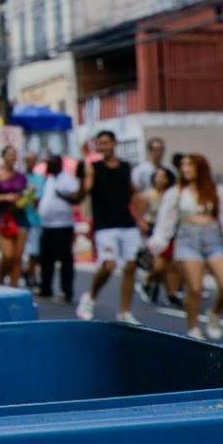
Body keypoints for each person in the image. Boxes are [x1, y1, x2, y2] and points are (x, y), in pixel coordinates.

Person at [147, 154, 223, 340]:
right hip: (187, 240)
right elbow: (166, 219)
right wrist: (159, 240)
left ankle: (215, 313)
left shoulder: (216, 190)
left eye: (190, 165)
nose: (185, 169)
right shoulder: (176, 192)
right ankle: (193, 327)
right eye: (183, 165)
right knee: (194, 287)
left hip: (213, 239)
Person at [76, 130, 144, 323]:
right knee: (108, 265)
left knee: (131, 266)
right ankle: (90, 297)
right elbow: (86, 190)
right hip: (105, 224)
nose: (103, 147)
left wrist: (140, 219)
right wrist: (83, 178)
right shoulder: (93, 167)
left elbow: (133, 193)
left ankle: (125, 311)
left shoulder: (125, 167)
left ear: (115, 143)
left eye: (106, 143)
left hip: (126, 222)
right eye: (100, 144)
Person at [35, 155, 80, 301]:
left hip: (63, 226)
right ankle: (45, 288)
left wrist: (61, 196)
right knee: (46, 259)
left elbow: (76, 197)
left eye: (50, 164)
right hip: (47, 226)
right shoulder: (50, 179)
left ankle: (67, 292)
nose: (47, 167)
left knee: (65, 260)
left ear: (58, 165)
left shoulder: (67, 179)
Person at [0, 146, 29, 287]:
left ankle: (14, 288)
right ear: (3, 157)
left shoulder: (21, 177)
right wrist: (6, 197)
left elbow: (25, 195)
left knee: (17, 257)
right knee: (7, 256)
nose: (12, 157)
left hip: (20, 217)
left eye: (14, 155)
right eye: (9, 155)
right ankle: (1, 282)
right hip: (4, 218)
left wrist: (26, 198)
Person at [137, 166, 183, 307]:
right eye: (158, 175)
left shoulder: (174, 194)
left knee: (172, 266)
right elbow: (140, 215)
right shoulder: (148, 195)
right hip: (153, 231)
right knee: (159, 266)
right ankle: (148, 281)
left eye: (164, 176)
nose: (161, 178)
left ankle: (171, 293)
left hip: (171, 231)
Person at [21, 152, 44, 289]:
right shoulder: (21, 179)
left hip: (38, 220)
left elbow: (42, 197)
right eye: (29, 161)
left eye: (33, 161)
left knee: (36, 253)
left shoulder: (40, 179)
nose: (31, 163)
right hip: (24, 219)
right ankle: (28, 274)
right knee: (30, 252)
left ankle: (30, 274)